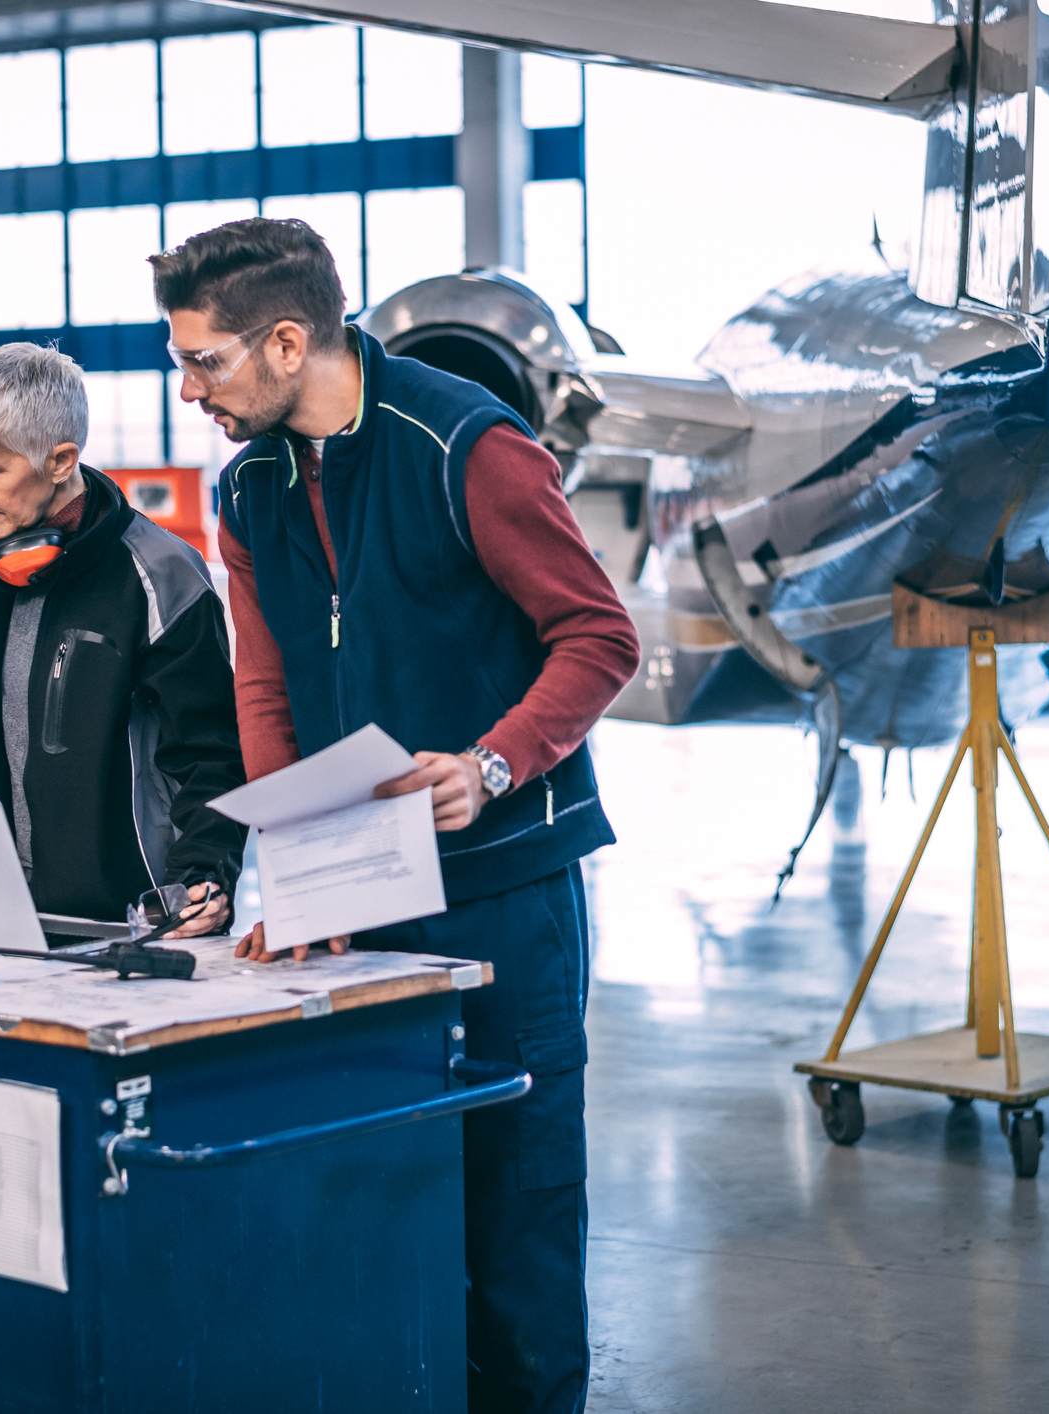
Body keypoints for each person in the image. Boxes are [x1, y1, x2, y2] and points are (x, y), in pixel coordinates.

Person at [154, 218, 640, 1414]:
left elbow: (600, 638)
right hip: (361, 889)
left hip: (506, 890)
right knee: (384, 1194)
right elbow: (263, 687)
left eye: (204, 361)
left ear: (282, 343)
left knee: (515, 1206)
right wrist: (294, 875)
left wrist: (494, 761)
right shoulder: (249, 485)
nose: (189, 389)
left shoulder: (467, 446)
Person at [0, 343, 244, 932]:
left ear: (60, 461)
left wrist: (205, 872)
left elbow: (213, 751)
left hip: (132, 916)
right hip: (0, 903)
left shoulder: (159, 572)